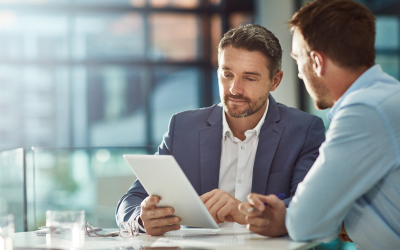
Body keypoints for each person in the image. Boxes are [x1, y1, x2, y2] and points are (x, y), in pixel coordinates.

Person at [116, 24, 325, 236]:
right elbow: (130, 201)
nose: (234, 89)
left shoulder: (304, 130)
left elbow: (311, 207)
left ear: (275, 81)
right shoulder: (183, 128)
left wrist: (243, 211)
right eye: (227, 74)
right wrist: (142, 219)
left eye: (249, 78)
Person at [238, 0, 400, 249]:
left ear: (316, 61)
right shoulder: (385, 96)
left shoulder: (364, 111)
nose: (300, 73)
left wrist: (288, 218)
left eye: (297, 59)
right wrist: (339, 221)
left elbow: (305, 222)